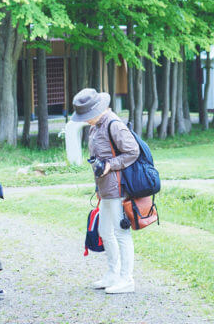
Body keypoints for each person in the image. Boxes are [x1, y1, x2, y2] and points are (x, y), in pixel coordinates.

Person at [74, 87, 140, 294]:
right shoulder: (95, 126)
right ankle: (113, 274)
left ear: (96, 110)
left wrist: (110, 165)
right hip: (105, 189)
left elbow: (133, 151)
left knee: (121, 233)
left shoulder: (113, 124)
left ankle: (126, 280)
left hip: (118, 188)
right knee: (105, 231)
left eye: (86, 116)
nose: (84, 120)